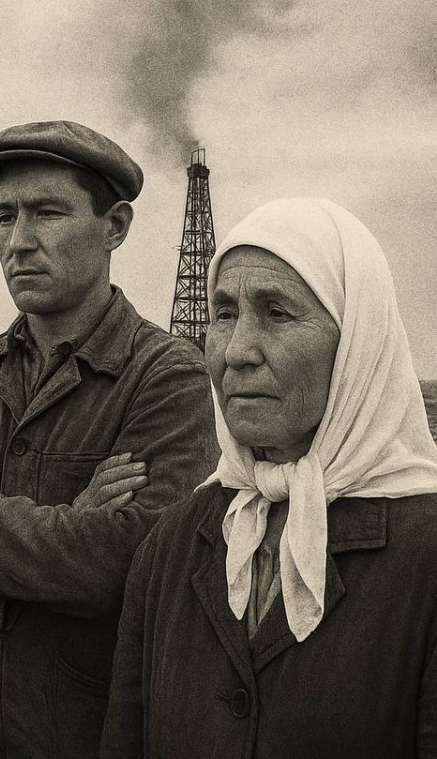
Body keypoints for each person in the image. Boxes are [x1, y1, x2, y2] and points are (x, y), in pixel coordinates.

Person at [0, 120, 219, 758]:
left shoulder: (166, 378)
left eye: (47, 213)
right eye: (4, 217)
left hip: (73, 736)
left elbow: (127, 566)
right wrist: (65, 532)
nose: (18, 242)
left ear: (115, 226)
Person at [100, 199, 437, 757]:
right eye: (224, 313)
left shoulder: (424, 555)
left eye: (277, 313)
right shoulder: (172, 545)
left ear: (358, 340)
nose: (236, 352)